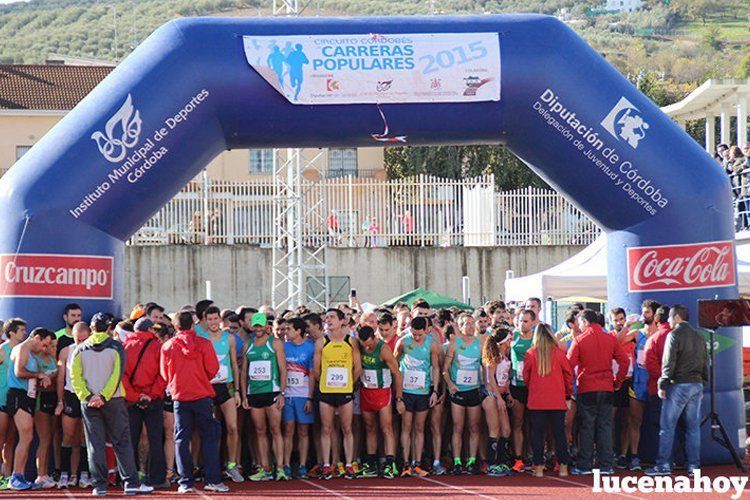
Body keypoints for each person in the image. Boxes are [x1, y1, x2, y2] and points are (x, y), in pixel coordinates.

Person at [70, 313, 153, 496]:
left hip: (89, 402)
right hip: (113, 401)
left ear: (92, 328)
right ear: (108, 328)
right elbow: (117, 375)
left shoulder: (79, 349)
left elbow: (75, 377)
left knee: (95, 444)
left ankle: (99, 486)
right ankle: (130, 483)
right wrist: (104, 396)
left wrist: (89, 396)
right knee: (121, 442)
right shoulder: (116, 347)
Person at [161, 310, 228, 494]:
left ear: (175, 326)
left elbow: (164, 373)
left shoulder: (168, 346)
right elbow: (213, 368)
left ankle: (185, 481)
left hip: (180, 397)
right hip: (202, 395)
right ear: (192, 324)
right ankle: (212, 479)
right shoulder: (204, 343)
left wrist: (178, 382)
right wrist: (201, 379)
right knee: (209, 437)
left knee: (181, 439)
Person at [646, 305, 707, 477]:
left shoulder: (674, 335)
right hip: (696, 385)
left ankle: (663, 465)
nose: (669, 322)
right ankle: (694, 466)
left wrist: (663, 384)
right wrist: (703, 382)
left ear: (677, 317)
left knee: (667, 427)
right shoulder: (699, 336)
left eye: (671, 318)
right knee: (693, 428)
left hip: (678, 385)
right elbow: (705, 361)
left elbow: (668, 362)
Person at [567, 309, 628, 475]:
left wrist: (569, 387)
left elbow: (568, 365)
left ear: (585, 322)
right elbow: (625, 360)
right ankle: (606, 464)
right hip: (607, 387)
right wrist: (618, 381)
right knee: (605, 426)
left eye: (580, 323)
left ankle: (585, 465)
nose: (579, 326)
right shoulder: (610, 338)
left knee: (587, 426)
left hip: (587, 387)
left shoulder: (579, 340)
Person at [312, 308, 362, 480]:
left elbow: (358, 367)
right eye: (327, 318)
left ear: (342, 321)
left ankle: (349, 464)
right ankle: (327, 465)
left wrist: (350, 385)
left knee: (347, 428)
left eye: (332, 317)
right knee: (326, 428)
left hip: (345, 391)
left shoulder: (351, 341)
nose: (329, 320)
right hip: (326, 391)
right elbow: (316, 370)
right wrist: (325, 383)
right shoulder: (321, 342)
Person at [122, 317, 168, 489]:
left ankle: (129, 477)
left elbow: (122, 376)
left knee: (130, 439)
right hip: (153, 399)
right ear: (150, 330)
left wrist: (135, 396)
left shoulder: (125, 347)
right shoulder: (158, 347)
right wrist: (150, 395)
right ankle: (157, 478)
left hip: (131, 400)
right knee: (156, 438)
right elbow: (163, 374)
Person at [241, 312, 287, 481]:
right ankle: (265, 468)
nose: (258, 329)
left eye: (261, 326)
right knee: (260, 431)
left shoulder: (275, 343)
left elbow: (283, 369)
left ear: (267, 327)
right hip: (254, 393)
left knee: (275, 429)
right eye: (255, 326)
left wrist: (282, 392)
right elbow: (244, 371)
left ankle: (280, 468)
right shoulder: (248, 345)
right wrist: (244, 394)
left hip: (272, 391)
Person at [7, 327, 54, 490]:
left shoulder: (32, 354)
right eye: (44, 344)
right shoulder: (21, 349)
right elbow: (19, 371)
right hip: (18, 396)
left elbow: (29, 377)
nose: (44, 349)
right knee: (26, 436)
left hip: (28, 396)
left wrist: (43, 380)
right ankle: (15, 476)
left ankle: (19, 476)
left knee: (27, 437)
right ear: (37, 338)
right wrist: (40, 375)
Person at [523, 324, 573, 478]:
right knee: (559, 434)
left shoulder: (531, 353)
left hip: (537, 400)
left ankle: (538, 467)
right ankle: (563, 466)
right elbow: (568, 376)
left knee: (538, 434)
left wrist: (533, 387)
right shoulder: (559, 353)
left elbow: (526, 376)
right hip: (557, 400)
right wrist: (568, 395)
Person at [203, 306, 244, 482]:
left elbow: (234, 363)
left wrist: (236, 390)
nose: (213, 322)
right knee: (211, 429)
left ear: (220, 320)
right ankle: (211, 466)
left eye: (215, 319)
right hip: (208, 387)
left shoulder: (229, 338)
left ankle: (232, 465)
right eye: (209, 319)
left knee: (232, 427)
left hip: (226, 386)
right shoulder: (202, 339)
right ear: (206, 321)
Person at [358, 325, 404, 479]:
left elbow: (397, 374)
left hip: (383, 392)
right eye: (364, 345)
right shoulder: (359, 346)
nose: (367, 347)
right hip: (366, 392)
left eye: (370, 344)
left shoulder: (383, 349)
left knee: (386, 428)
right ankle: (371, 463)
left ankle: (390, 463)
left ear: (375, 337)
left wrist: (399, 398)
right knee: (370, 427)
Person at [443, 313, 486, 475]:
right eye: (465, 324)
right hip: (458, 392)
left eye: (470, 323)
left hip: (474, 391)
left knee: (474, 427)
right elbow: (444, 369)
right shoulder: (454, 344)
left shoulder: (480, 344)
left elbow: (486, 367)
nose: (468, 326)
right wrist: (450, 385)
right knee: (458, 427)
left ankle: (472, 461)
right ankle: (457, 461)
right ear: (459, 327)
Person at [56, 322, 91, 489]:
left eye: (84, 340)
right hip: (71, 395)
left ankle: (84, 473)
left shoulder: (94, 350)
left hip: (87, 396)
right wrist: (60, 401)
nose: (80, 344)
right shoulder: (66, 351)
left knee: (85, 436)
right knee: (68, 435)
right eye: (77, 340)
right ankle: (65, 473)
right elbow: (61, 378)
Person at [281, 317, 315, 479]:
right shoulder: (284, 347)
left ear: (299, 331)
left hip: (303, 394)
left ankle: (302, 465)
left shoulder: (310, 348)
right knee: (288, 429)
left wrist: (310, 398)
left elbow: (313, 374)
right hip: (287, 394)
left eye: (289, 329)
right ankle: (286, 465)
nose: (285, 332)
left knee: (303, 430)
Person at [628, 299, 659, 470]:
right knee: (635, 420)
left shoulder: (661, 334)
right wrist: (627, 324)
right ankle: (634, 458)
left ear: (655, 315)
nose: (643, 315)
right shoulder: (637, 333)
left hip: (655, 383)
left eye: (647, 312)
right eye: (643, 312)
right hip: (638, 384)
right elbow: (617, 342)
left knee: (658, 422)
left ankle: (660, 459)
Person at [481, 325, 513, 477]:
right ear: (502, 342)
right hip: (491, 396)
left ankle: (501, 461)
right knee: (495, 429)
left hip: (501, 395)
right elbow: (490, 380)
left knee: (506, 430)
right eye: (509, 339)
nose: (510, 342)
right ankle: (491, 464)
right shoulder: (493, 357)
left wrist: (508, 394)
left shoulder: (506, 357)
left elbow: (505, 380)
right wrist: (498, 398)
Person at [0, 319, 26, 490]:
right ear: (12, 333)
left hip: (15, 400)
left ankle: (8, 477)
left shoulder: (22, 350)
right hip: (1, 399)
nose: (24, 333)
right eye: (22, 330)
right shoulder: (2, 350)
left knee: (11, 439)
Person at [509, 309, 535, 472]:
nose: (522, 324)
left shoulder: (537, 339)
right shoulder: (513, 338)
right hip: (517, 386)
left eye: (526, 321)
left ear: (532, 322)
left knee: (532, 424)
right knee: (517, 423)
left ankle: (531, 456)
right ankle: (518, 458)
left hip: (533, 388)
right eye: (520, 321)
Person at [609, 307, 635, 469]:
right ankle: (610, 451)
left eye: (621, 319)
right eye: (616, 320)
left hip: (629, 382)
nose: (619, 323)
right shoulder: (611, 336)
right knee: (610, 420)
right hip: (612, 383)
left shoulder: (633, 336)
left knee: (627, 420)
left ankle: (624, 455)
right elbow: (617, 342)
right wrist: (627, 328)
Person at [33, 334, 58, 488]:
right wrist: (53, 376)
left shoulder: (54, 359)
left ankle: (46, 473)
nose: (54, 349)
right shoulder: (36, 359)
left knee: (52, 438)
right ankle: (40, 475)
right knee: (44, 439)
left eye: (56, 346)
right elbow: (38, 383)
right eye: (52, 346)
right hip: (40, 401)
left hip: (54, 400)